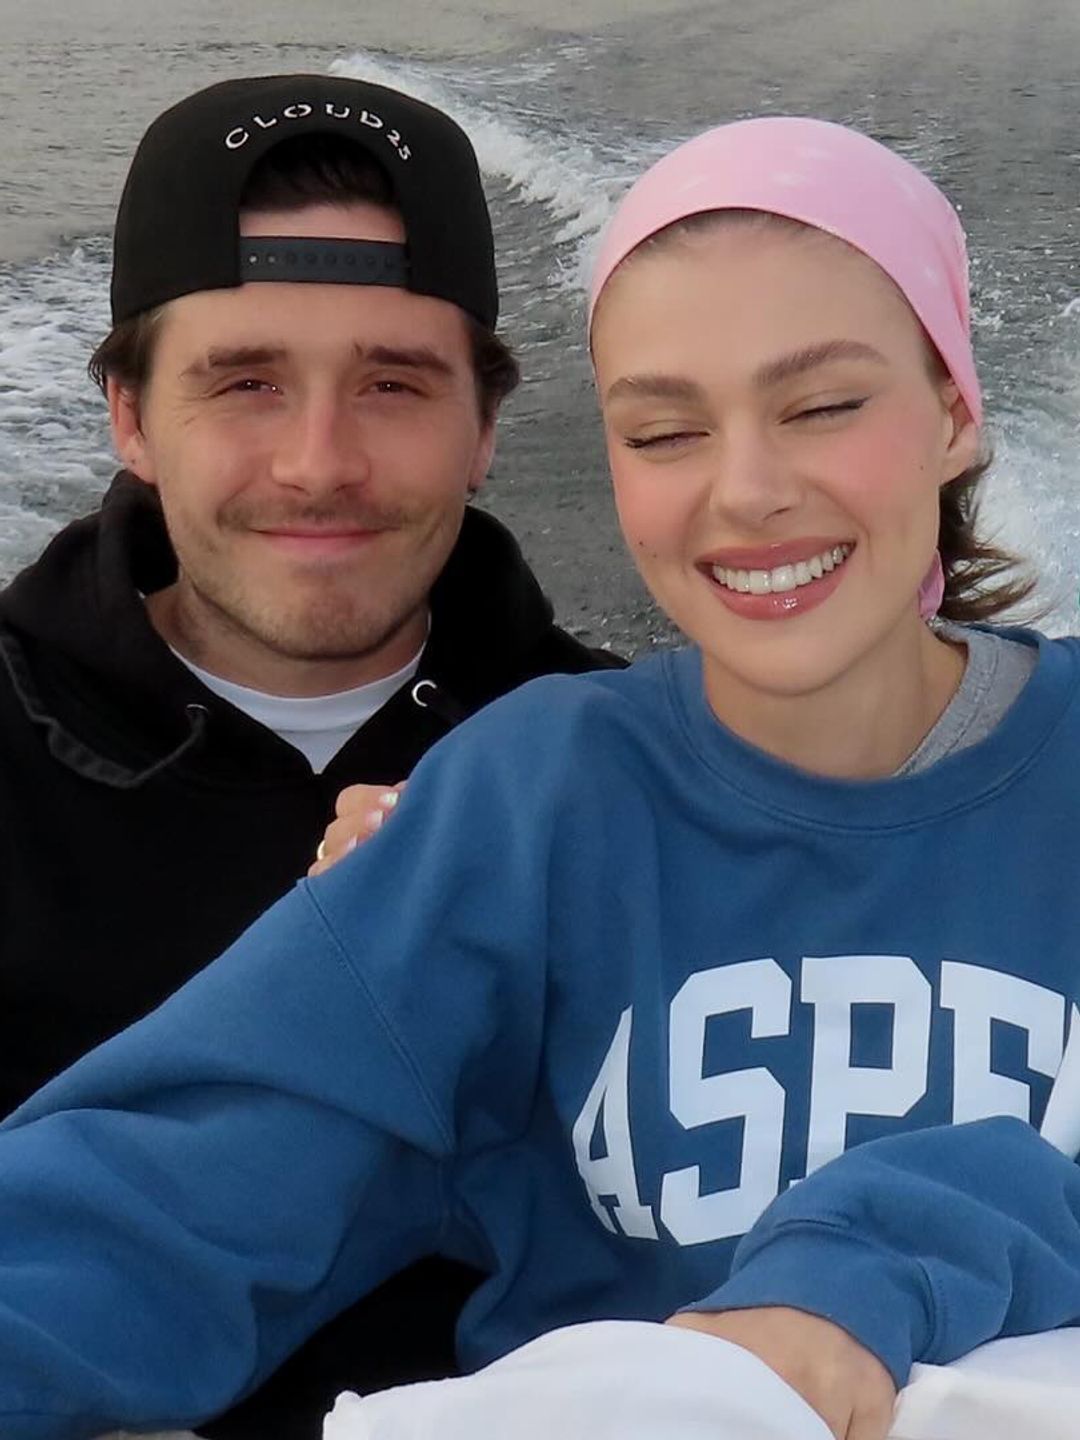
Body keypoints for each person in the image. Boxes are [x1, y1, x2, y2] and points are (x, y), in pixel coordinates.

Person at [3, 114, 1080, 1440]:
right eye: (664, 430)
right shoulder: (524, 802)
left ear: (959, 411)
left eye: (821, 406)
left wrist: (877, 1265)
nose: (745, 490)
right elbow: (165, 1195)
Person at [0, 72, 622, 1440]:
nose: (318, 463)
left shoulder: (632, 786)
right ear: (127, 417)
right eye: (245, 382)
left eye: (395, 384)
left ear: (485, 428)